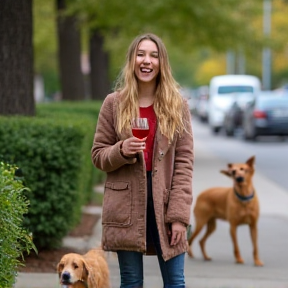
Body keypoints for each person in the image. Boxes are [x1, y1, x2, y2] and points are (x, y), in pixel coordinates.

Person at [91, 33, 194, 288]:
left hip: (166, 202)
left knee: (176, 282)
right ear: (132, 61)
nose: (146, 61)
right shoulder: (114, 104)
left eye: (154, 55)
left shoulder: (177, 106)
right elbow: (98, 155)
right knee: (132, 282)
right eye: (140, 54)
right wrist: (121, 150)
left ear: (162, 63)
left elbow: (184, 163)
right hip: (125, 205)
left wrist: (179, 216)